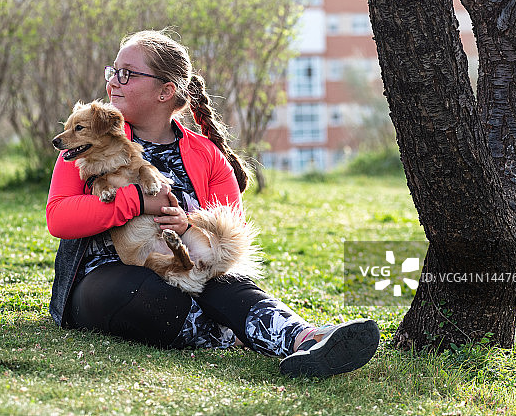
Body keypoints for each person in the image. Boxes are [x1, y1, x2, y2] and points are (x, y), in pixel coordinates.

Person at [46, 29, 380, 378]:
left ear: (165, 91)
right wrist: (137, 201)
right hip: (103, 279)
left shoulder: (206, 154)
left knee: (228, 286)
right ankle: (234, 334)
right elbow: (60, 218)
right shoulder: (89, 141)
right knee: (153, 295)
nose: (114, 82)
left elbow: (227, 236)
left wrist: (187, 225)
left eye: (127, 74)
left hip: (186, 264)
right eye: (112, 71)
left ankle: (305, 339)